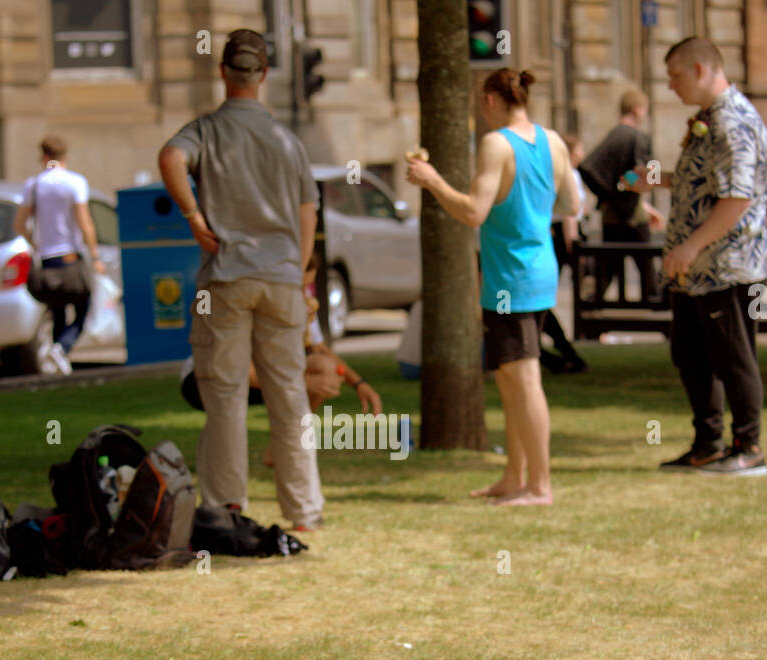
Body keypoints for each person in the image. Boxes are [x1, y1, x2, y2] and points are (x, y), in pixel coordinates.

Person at [158, 29, 325, 531]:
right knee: (290, 394)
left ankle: (228, 507)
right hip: (280, 278)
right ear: (265, 75)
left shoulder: (206, 130)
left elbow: (170, 158)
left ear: (223, 73)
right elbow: (308, 212)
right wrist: (296, 269)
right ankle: (304, 510)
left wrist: (193, 215)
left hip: (227, 277)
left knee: (226, 395)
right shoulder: (286, 140)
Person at [407, 68, 580, 507]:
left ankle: (540, 487)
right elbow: (572, 203)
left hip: (512, 278)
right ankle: (513, 476)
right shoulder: (553, 140)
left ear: (488, 99)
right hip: (539, 270)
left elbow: (473, 213)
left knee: (524, 379)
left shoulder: (495, 143)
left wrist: (432, 181)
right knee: (510, 380)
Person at [622, 37, 767, 477]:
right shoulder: (710, 121)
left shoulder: (732, 122)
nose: (670, 85)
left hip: (725, 265)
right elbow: (706, 183)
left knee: (733, 357)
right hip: (697, 270)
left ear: (702, 69)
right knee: (691, 353)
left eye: (675, 75)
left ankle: (749, 446)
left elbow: (737, 198)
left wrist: (691, 245)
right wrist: (656, 180)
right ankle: (707, 444)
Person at [180, 254, 384, 466]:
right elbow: (242, 371)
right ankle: (218, 455)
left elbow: (321, 350)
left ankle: (279, 449)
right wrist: (302, 383)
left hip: (253, 377)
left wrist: (359, 383)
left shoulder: (300, 305)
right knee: (228, 439)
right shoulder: (252, 298)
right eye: (301, 287)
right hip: (204, 379)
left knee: (325, 368)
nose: (307, 294)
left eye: (309, 287)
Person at [12, 135, 106, 376]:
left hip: (46, 260)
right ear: (64, 156)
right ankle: (62, 348)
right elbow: (85, 222)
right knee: (84, 306)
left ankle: (58, 355)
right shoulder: (74, 182)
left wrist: (36, 244)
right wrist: (94, 255)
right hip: (70, 257)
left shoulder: (34, 184)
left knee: (58, 311)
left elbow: (20, 223)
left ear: (44, 157)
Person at [578, 89, 666, 303]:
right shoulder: (640, 138)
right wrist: (633, 190)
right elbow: (650, 175)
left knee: (608, 270)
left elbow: (588, 168)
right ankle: (658, 314)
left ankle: (591, 312)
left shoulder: (613, 136)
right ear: (638, 110)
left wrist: (610, 195)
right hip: (633, 218)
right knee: (647, 270)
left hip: (612, 216)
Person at [541, 132, 590, 375]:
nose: (582, 153)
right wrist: (572, 243)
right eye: (579, 148)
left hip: (562, 235)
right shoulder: (565, 173)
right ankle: (564, 353)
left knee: (541, 301)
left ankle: (563, 354)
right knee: (541, 300)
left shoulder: (570, 173)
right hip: (562, 236)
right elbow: (570, 211)